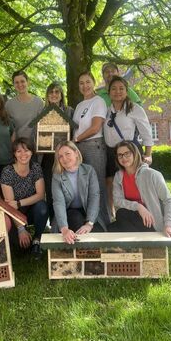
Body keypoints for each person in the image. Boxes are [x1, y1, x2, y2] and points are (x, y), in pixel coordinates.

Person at [104, 76, 154, 212]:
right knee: (111, 183)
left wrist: (148, 155)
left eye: (121, 88)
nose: (117, 91)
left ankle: (143, 211)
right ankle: (114, 214)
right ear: (109, 93)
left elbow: (146, 133)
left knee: (133, 181)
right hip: (111, 152)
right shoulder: (107, 111)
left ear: (127, 91)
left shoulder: (135, 109)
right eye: (113, 89)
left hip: (130, 150)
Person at [109, 140, 171, 238]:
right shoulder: (118, 176)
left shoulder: (152, 174)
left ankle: (145, 244)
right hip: (136, 216)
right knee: (114, 223)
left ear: (135, 154)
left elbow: (168, 200)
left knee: (120, 219)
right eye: (120, 155)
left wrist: (169, 225)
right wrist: (139, 207)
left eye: (127, 154)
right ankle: (139, 244)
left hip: (154, 220)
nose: (123, 158)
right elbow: (117, 201)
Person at [73, 71, 110, 229]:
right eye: (81, 83)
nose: (85, 86)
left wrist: (76, 139)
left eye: (88, 82)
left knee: (97, 186)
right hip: (80, 148)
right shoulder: (80, 105)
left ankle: (103, 225)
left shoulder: (98, 101)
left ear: (93, 83)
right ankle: (89, 222)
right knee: (85, 186)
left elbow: (95, 127)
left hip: (94, 146)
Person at [0, 138, 48, 257]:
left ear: (32, 152)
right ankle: (22, 233)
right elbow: (10, 205)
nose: (23, 154)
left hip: (31, 209)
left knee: (42, 207)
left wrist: (20, 203)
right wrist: (21, 229)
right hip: (14, 213)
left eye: (26, 150)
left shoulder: (35, 168)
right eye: (19, 151)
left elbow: (40, 195)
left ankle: (37, 240)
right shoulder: (7, 172)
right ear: (14, 154)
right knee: (20, 249)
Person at [52, 141, 102, 244]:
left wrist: (89, 223)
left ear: (76, 153)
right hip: (69, 213)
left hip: (88, 211)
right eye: (60, 156)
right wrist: (64, 229)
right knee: (76, 220)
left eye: (67, 154)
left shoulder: (89, 171)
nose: (64, 158)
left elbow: (94, 197)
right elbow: (59, 202)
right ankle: (82, 255)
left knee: (98, 232)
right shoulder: (57, 176)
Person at [41, 82, 74, 222]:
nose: (54, 95)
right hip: (48, 158)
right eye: (51, 92)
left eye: (57, 92)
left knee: (67, 188)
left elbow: (73, 132)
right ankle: (54, 221)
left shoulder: (69, 111)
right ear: (47, 95)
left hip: (65, 156)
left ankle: (68, 221)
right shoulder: (42, 112)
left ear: (61, 95)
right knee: (50, 190)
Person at [5, 70, 43, 143]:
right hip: (18, 148)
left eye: (22, 81)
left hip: (35, 146)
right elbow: (7, 128)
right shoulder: (9, 105)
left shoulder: (39, 102)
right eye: (16, 82)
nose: (20, 85)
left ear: (28, 82)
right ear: (13, 84)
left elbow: (43, 126)